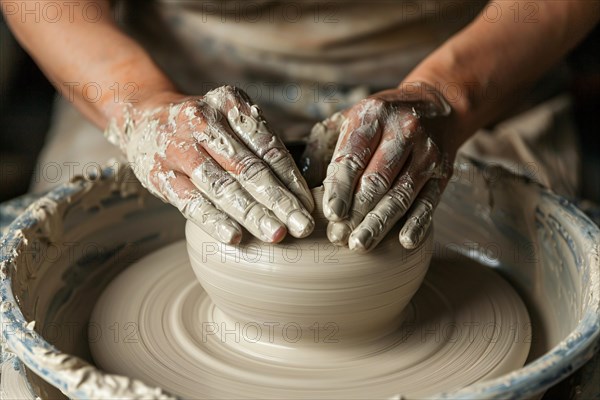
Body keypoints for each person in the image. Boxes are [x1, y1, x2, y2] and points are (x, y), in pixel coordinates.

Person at [3, 0, 598, 252]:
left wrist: (446, 96)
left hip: (470, 69)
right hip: (163, 75)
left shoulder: (454, 92)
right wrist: (139, 108)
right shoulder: (150, 96)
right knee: (64, 250)